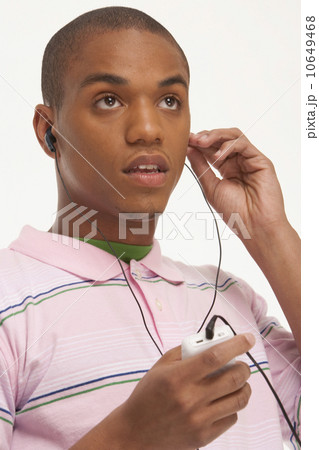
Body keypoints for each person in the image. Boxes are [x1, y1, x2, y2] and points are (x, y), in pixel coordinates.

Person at [0, 6, 300, 449]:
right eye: (109, 99)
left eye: (169, 101)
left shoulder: (234, 299)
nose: (148, 129)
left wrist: (272, 234)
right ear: (50, 132)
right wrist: (128, 439)